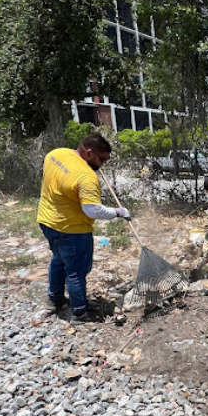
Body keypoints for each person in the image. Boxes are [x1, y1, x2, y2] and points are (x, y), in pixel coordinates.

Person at [36, 134, 131, 324]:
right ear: (89, 153)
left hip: (47, 222)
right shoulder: (86, 177)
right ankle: (79, 312)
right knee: (76, 271)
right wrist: (118, 212)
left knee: (58, 260)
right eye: (101, 159)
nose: (102, 164)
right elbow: (92, 209)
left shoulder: (55, 154)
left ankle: (55, 300)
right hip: (73, 230)